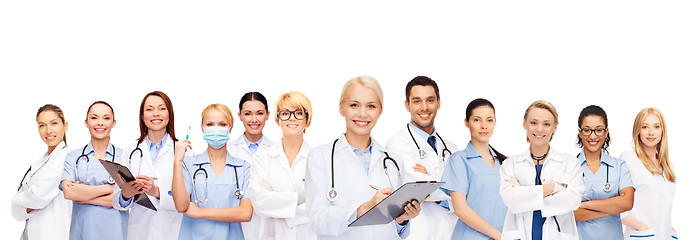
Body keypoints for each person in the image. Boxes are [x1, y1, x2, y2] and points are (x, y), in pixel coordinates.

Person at [305, 76, 421, 240]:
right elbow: (316, 220)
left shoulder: (394, 161)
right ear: (341, 108)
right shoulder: (320, 157)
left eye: (371, 106)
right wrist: (364, 208)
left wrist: (402, 219)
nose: (362, 113)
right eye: (354, 105)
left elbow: (395, 228)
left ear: (380, 111)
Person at [385, 76, 459, 239]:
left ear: (438, 103)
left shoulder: (452, 149)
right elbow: (419, 187)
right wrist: (455, 189)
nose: (424, 107)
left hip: (452, 232)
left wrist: (433, 181)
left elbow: (469, 194)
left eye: (430, 100)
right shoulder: (398, 144)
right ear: (407, 105)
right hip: (420, 232)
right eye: (417, 101)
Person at [499, 100, 584, 240]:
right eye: (533, 123)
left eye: (546, 124)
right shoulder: (510, 164)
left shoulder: (570, 163)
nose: (539, 129)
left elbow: (572, 200)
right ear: (524, 124)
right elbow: (510, 199)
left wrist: (523, 194)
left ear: (554, 127)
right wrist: (554, 188)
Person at [172, 103, 253, 240]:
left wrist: (199, 212)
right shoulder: (188, 164)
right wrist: (177, 161)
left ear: (230, 128)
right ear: (202, 129)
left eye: (222, 124)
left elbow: (246, 213)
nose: (216, 129)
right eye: (210, 124)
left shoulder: (242, 167)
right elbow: (181, 205)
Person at [112, 91, 183, 240]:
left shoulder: (183, 151)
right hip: (140, 232)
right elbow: (117, 202)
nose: (155, 114)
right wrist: (126, 194)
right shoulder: (130, 152)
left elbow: (188, 201)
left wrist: (156, 192)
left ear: (169, 114)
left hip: (173, 230)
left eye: (162, 108)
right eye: (149, 109)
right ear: (143, 117)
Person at [249, 91, 317, 240]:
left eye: (299, 113)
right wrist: (300, 199)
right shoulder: (263, 157)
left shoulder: (318, 159)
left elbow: (318, 207)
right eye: (285, 113)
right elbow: (259, 201)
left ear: (307, 119)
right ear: (277, 119)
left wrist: (276, 202)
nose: (292, 118)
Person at [440, 98, 508, 240]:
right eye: (477, 120)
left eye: (489, 120)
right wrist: (499, 236)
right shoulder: (459, 160)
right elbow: (460, 209)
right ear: (467, 123)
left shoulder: (505, 163)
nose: (484, 126)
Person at [60, 101, 128, 240]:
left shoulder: (125, 156)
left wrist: (83, 196)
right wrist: (111, 188)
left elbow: (126, 200)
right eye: (94, 117)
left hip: (116, 233)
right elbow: (69, 192)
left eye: (106, 118)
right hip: (83, 232)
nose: (100, 123)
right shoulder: (74, 157)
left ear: (114, 123)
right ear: (86, 122)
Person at [12, 104, 72, 240]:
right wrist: (26, 205)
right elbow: (15, 213)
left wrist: (17, 200)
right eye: (42, 125)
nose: (48, 130)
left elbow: (38, 197)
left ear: (65, 126)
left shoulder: (67, 158)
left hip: (55, 234)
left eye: (54, 123)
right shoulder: (37, 164)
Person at [573, 105, 634, 240]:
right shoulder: (569, 166)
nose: (593, 136)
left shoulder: (619, 166)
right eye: (587, 130)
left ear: (606, 132)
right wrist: (612, 208)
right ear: (580, 132)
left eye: (599, 130)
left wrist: (584, 205)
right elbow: (567, 213)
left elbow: (627, 203)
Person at [619, 107, 677, 239]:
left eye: (656, 127)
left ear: (662, 131)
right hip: (642, 235)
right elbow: (616, 205)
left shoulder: (668, 165)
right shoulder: (628, 158)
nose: (651, 132)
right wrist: (642, 227)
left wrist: (670, 229)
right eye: (645, 127)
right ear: (637, 130)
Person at [228, 91, 275, 240]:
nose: (254, 119)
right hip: (235, 225)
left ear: (267, 115)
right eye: (248, 114)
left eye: (259, 113)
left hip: (269, 224)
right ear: (240, 116)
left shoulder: (277, 151)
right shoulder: (228, 150)